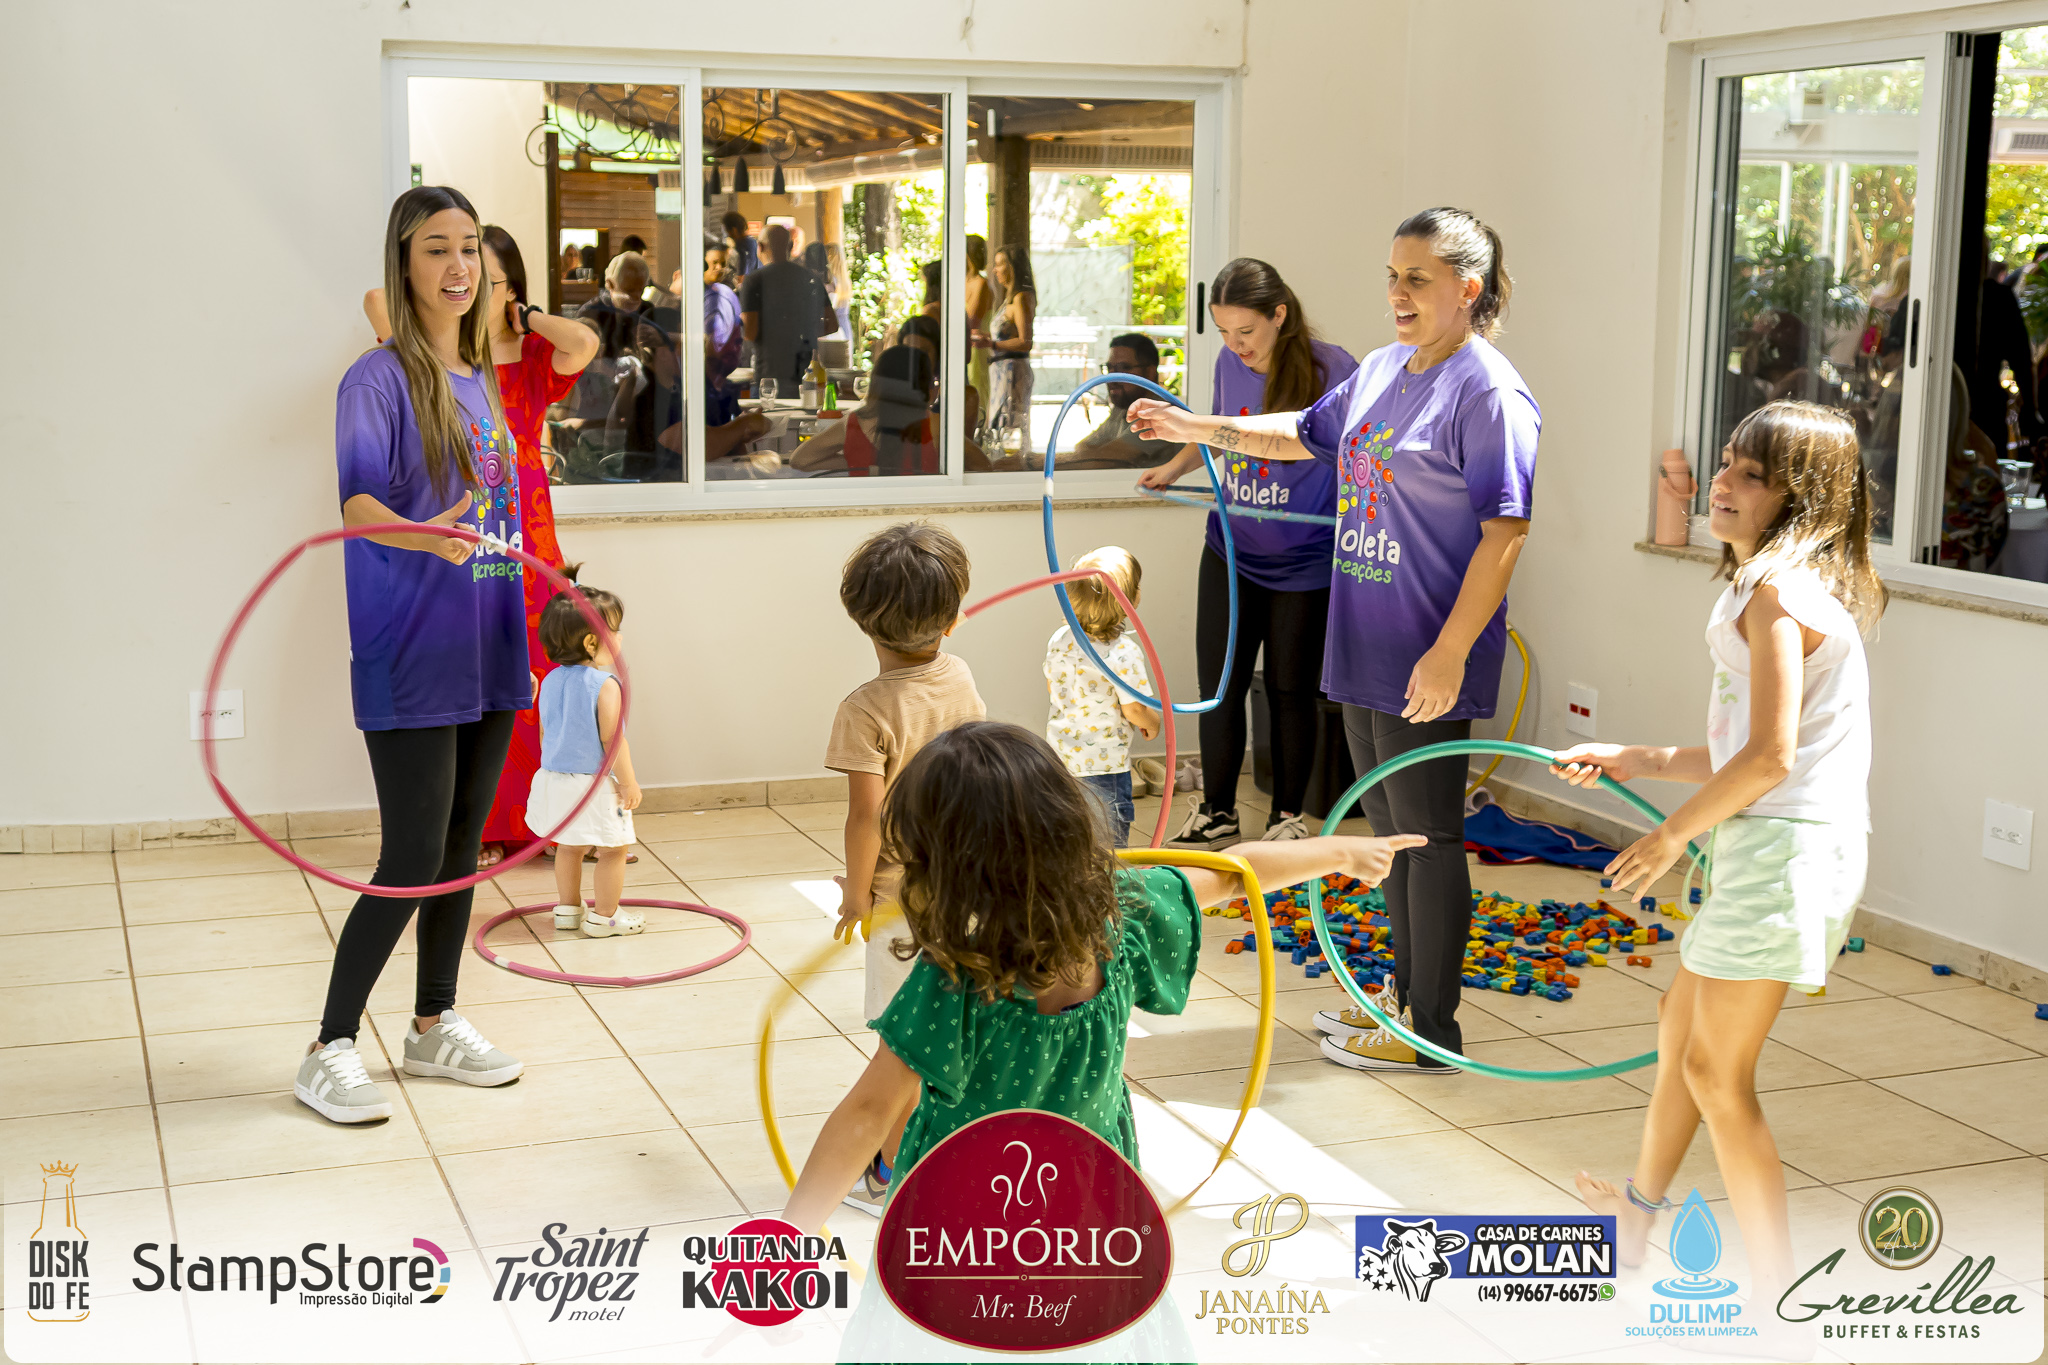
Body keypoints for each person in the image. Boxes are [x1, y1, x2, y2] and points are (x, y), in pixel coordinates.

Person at [1129, 208, 1537, 1076]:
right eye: (1392, 275)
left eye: (1417, 278)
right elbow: (1299, 434)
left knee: (1426, 841)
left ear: (1468, 288)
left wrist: (1450, 651)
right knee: (1387, 840)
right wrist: (1194, 430)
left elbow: (1505, 532)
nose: (1397, 293)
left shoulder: (1488, 393)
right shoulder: (1384, 368)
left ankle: (1432, 1031)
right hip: (1360, 643)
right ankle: (1401, 1000)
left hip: (1426, 654)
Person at [779, 720, 1425, 1236]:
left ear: (945, 866)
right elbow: (1237, 871)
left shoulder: (957, 977)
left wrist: (786, 1245)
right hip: (1091, 1207)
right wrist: (1345, 851)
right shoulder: (1126, 911)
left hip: (965, 1218)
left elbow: (869, 1112)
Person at [1556, 400, 1882, 1337]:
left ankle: (1780, 1303)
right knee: (1678, 1028)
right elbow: (1747, 747)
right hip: (1767, 842)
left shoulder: (1777, 593)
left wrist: (1669, 837)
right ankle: (1634, 1217)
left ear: (1799, 500)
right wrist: (1639, 758)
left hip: (1787, 850)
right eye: (1728, 462)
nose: (1723, 482)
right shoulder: (1759, 588)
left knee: (1715, 1071)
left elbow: (1772, 758)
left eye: (1752, 475)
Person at [298, 185, 526, 1124]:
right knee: (412, 853)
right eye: (437, 248)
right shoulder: (375, 380)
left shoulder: (478, 375)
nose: (460, 265)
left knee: (462, 847)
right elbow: (358, 509)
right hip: (414, 644)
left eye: (470, 247)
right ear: (404, 261)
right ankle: (329, 1045)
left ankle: (434, 1022)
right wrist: (428, 535)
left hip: (490, 636)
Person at [363, 226, 602, 868]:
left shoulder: (532, 356)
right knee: (478, 672)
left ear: (512, 289)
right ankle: (484, 826)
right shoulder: (435, 354)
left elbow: (584, 343)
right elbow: (377, 302)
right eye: (456, 266)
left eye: (486, 277)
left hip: (529, 530)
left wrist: (524, 315)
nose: (466, 281)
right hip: (465, 527)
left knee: (546, 671)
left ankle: (562, 821)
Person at [1137, 259, 1358, 846]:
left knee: (1290, 690)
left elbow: (1341, 450)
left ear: (1279, 315)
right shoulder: (1227, 364)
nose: (1237, 346)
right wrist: (1174, 464)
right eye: (1224, 332)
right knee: (1219, 688)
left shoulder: (1334, 370)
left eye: (1246, 331)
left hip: (1304, 559)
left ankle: (1287, 818)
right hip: (1231, 549)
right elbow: (1216, 433)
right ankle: (1218, 812)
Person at [824, 522, 987, 1211]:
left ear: (862, 619)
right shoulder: (960, 676)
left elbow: (867, 818)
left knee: (906, 1046)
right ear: (953, 618)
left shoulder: (864, 710)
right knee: (953, 1027)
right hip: (969, 888)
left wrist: (857, 895)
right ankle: (938, 1151)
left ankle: (892, 1171)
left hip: (903, 902)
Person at [529, 579, 645, 938]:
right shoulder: (604, 684)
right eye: (614, 631)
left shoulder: (551, 680)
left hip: (554, 778)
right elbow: (612, 740)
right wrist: (628, 782)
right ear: (591, 643)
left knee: (570, 846)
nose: (620, 638)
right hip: (591, 784)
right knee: (614, 849)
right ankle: (605, 917)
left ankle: (568, 910)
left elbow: (546, 732)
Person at [1044, 547, 1160, 848]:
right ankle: (1109, 879)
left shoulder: (1060, 639)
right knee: (1108, 843)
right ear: (1129, 601)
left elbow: (1053, 686)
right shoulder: (1123, 652)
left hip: (1060, 760)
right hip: (1104, 766)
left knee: (1070, 835)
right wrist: (1153, 723)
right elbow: (1134, 709)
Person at [789, 346, 979, 476]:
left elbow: (800, 460)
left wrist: (857, 462)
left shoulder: (854, 423)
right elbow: (983, 466)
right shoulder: (934, 425)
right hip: (921, 517)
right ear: (924, 386)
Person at [1067, 333, 1193, 469]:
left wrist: (1047, 464)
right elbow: (1083, 447)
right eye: (1109, 368)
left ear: (1149, 372)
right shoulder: (1123, 407)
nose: (1112, 378)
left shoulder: (1159, 413)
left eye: (1123, 368)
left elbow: (1100, 460)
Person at [740, 224, 838, 388]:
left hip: (769, 371)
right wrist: (803, 333)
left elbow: (750, 332)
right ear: (791, 246)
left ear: (760, 247)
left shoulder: (754, 281)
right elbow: (832, 324)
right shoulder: (809, 278)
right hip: (804, 370)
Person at [978, 244, 1036, 438]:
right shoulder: (1008, 299)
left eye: (999, 264)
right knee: (998, 427)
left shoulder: (1021, 298)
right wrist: (987, 337)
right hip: (1000, 371)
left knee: (1009, 427)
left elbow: (1025, 341)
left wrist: (992, 344)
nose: (995, 270)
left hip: (1012, 372)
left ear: (1013, 267)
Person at [963, 234, 994, 412]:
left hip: (976, 349)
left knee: (976, 391)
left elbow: (971, 319)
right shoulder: (961, 282)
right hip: (964, 345)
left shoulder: (981, 284)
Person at [722, 210, 759, 279]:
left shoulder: (744, 246)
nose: (726, 235)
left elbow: (743, 274)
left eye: (726, 231)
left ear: (734, 230)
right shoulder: (753, 243)